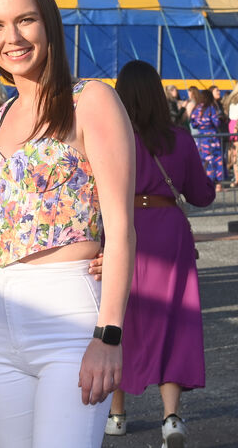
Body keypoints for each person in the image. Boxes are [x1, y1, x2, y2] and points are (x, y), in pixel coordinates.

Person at [0, 0, 136, 448]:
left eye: (25, 20)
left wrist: (108, 335)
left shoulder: (91, 100)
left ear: (48, 23)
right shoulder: (3, 113)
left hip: (67, 314)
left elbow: (121, 228)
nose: (12, 37)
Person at [104, 60, 214, 447]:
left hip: (123, 231)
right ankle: (171, 418)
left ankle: (117, 415)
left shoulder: (110, 139)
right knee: (174, 322)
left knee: (118, 318)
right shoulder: (179, 139)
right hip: (170, 234)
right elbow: (202, 195)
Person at [189, 85, 225, 191]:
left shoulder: (196, 108)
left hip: (201, 138)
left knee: (203, 161)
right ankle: (216, 184)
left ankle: (204, 184)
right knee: (215, 160)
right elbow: (216, 122)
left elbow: (193, 123)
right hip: (212, 137)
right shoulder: (210, 108)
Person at [222, 84, 238, 186]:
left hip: (231, 125)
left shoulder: (230, 100)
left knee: (233, 153)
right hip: (236, 125)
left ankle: (236, 178)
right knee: (235, 153)